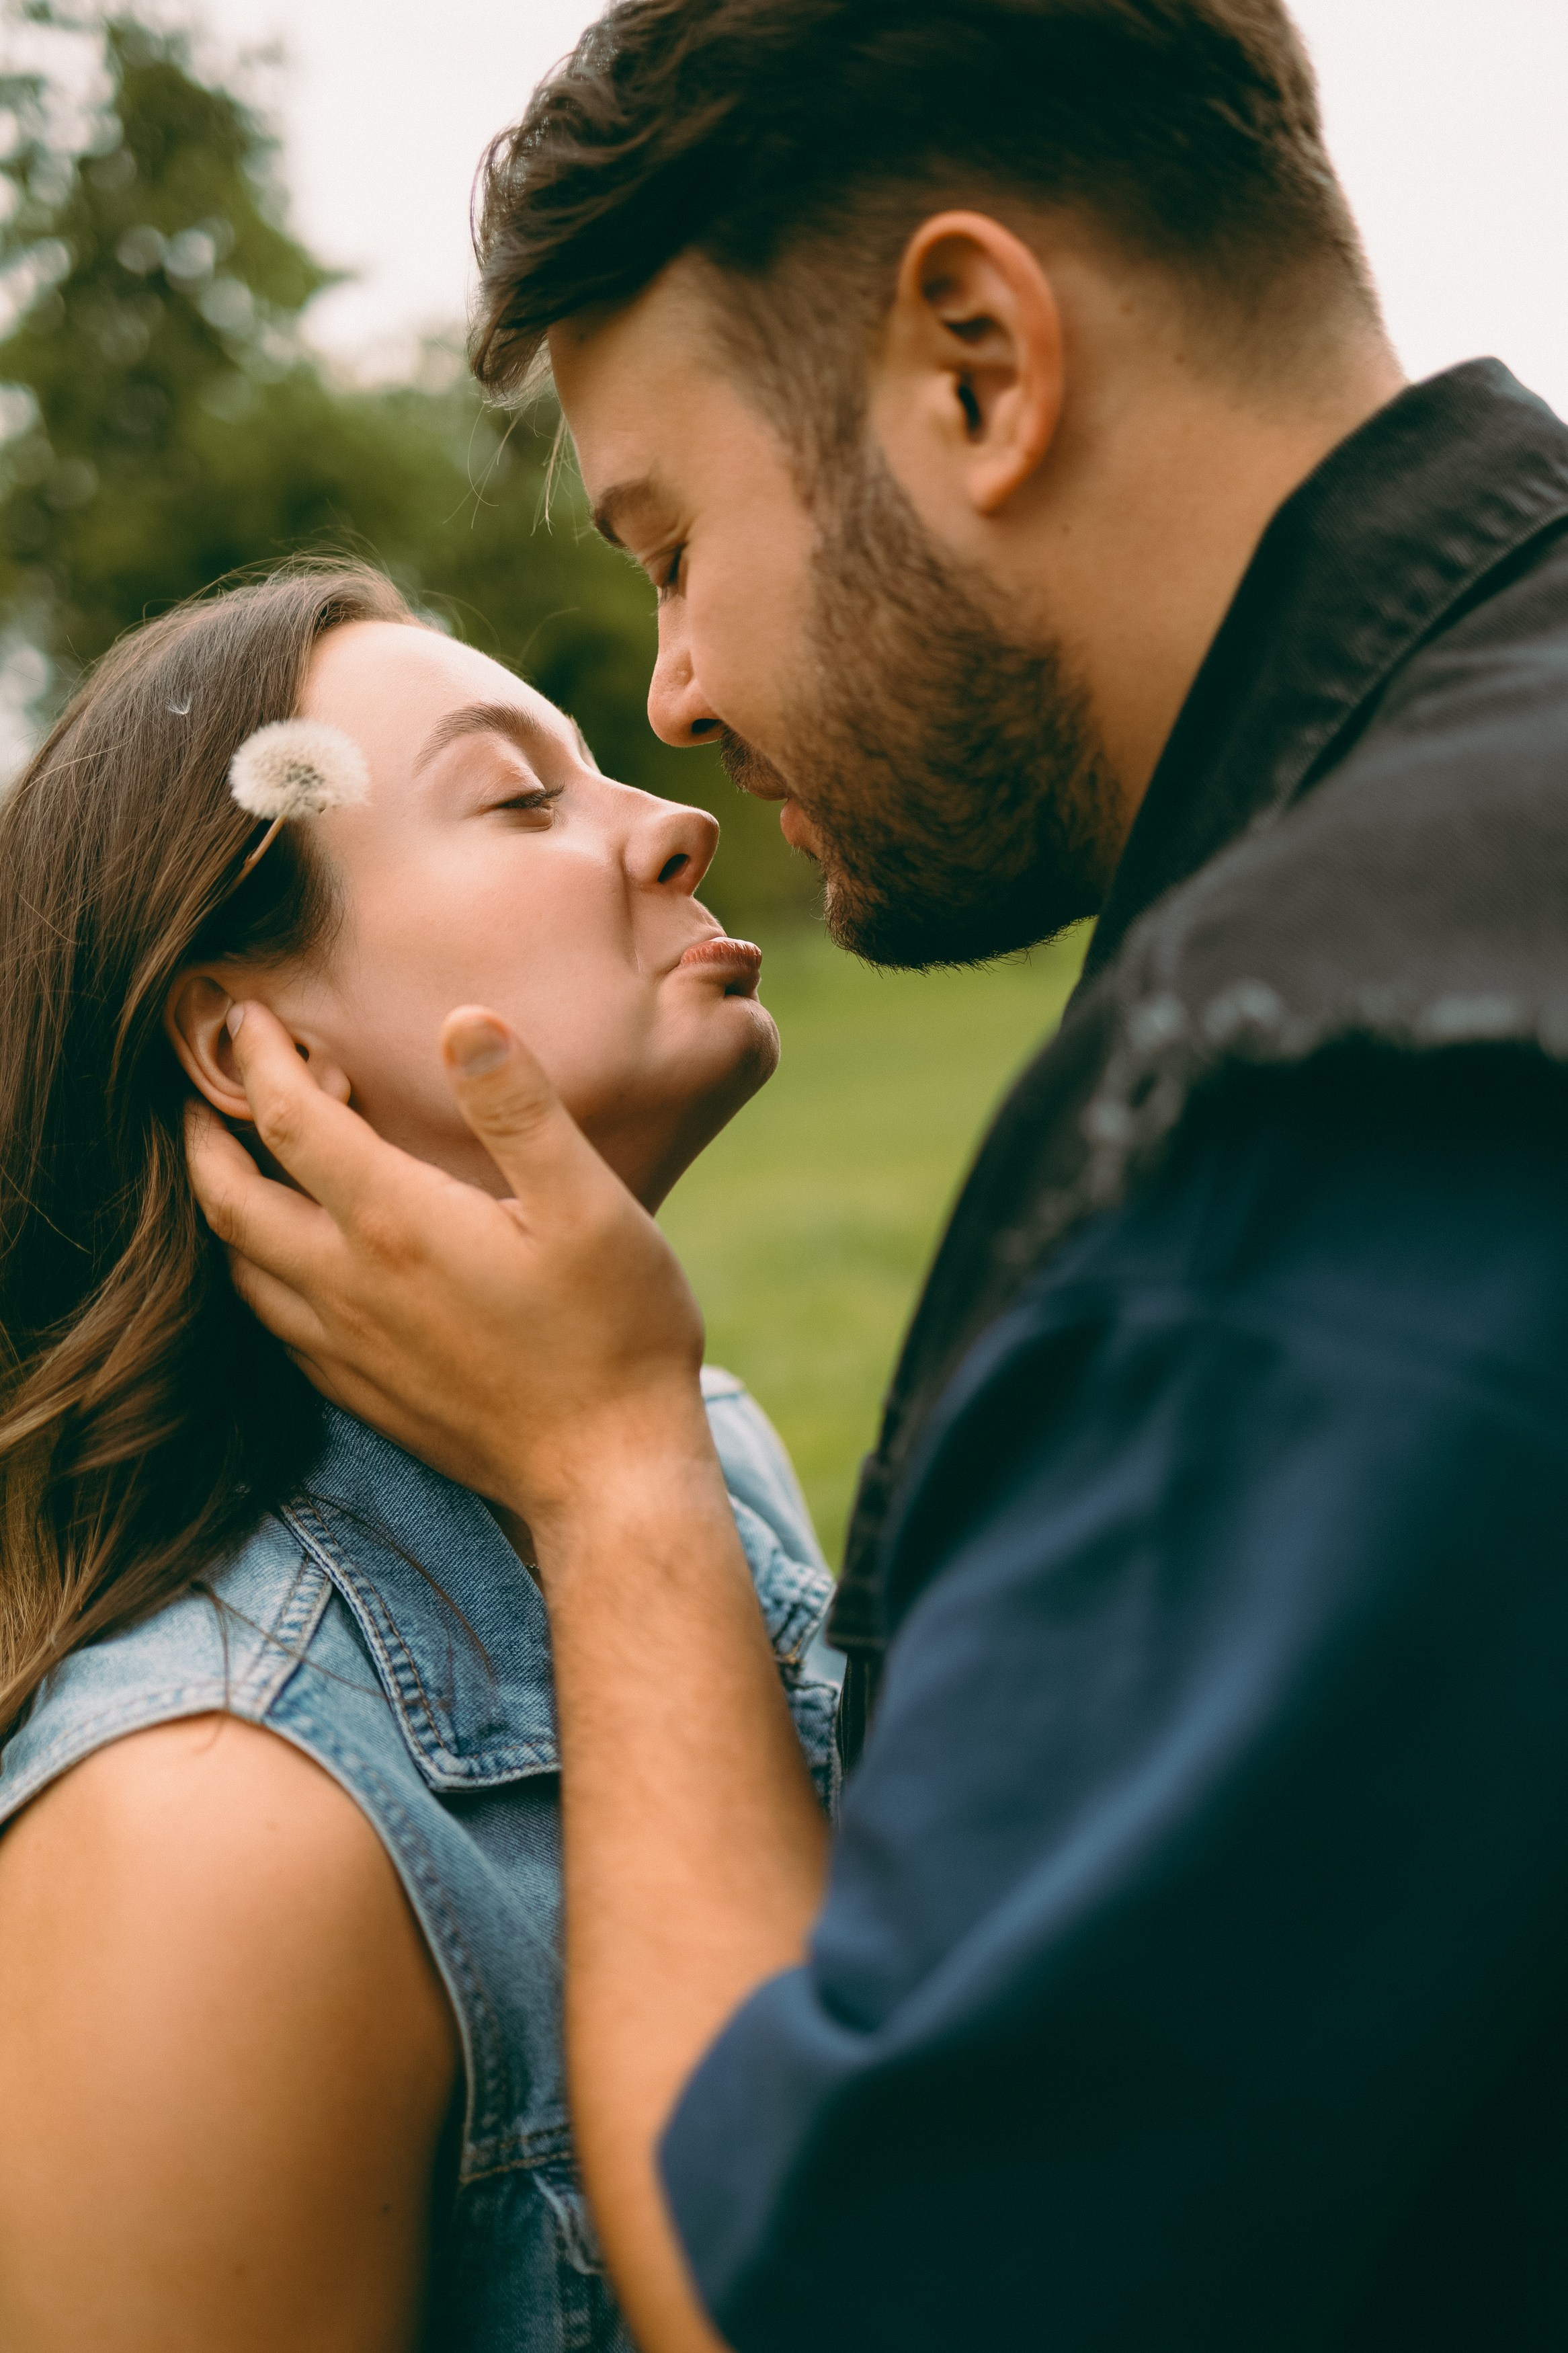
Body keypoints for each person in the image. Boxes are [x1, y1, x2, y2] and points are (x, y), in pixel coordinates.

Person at [191, 2, 1568, 2348]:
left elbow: (840, 2289)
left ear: (975, 364)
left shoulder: (1324, 1099)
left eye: (674, 540)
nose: (685, 696)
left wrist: (616, 1464)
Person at [0, 561, 839, 2353]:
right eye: (522, 796)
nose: (677, 820)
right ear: (257, 1048)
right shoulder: (211, 1831)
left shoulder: (696, 1444)